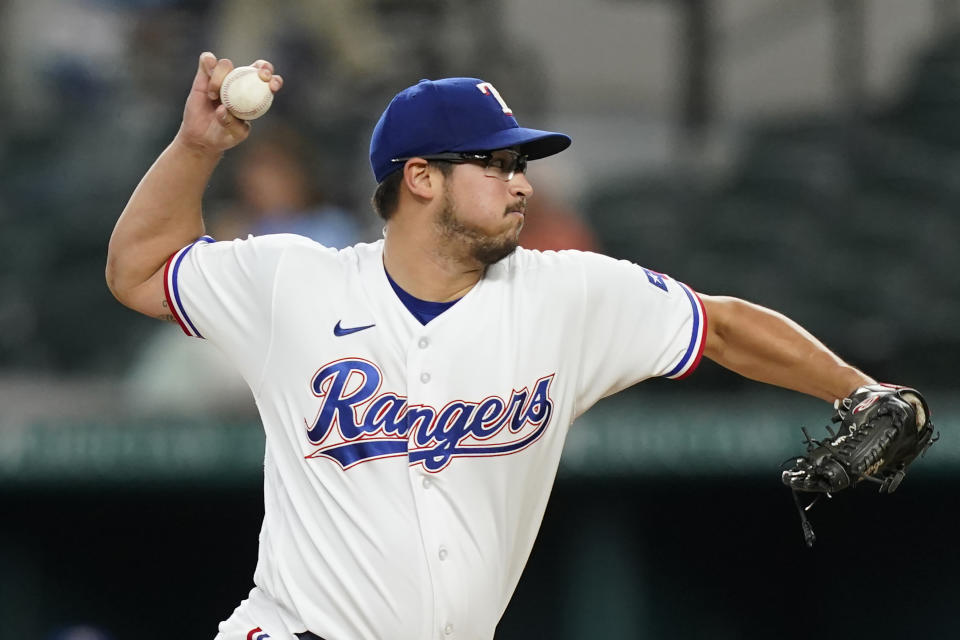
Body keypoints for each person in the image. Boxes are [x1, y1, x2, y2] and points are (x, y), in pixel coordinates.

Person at [106, 53, 878, 640]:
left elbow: (723, 324)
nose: (522, 184)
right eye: (497, 163)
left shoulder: (567, 296)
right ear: (421, 179)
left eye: (520, 165)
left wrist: (859, 391)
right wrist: (197, 148)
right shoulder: (294, 282)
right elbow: (138, 271)